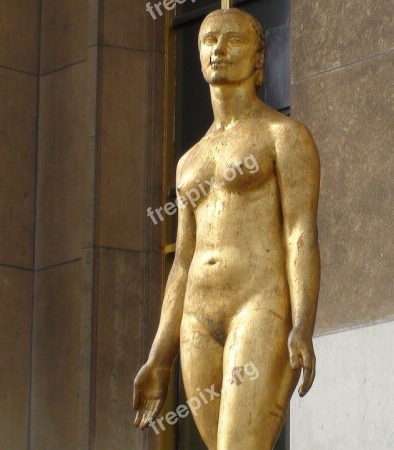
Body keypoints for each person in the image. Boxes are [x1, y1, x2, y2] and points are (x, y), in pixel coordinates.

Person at [133, 7, 321, 449]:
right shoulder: (189, 161)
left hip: (259, 306)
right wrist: (160, 356)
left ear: (258, 58)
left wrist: (303, 323)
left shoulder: (284, 135)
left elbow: (299, 232)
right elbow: (181, 261)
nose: (218, 49)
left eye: (233, 40)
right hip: (198, 316)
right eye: (208, 40)